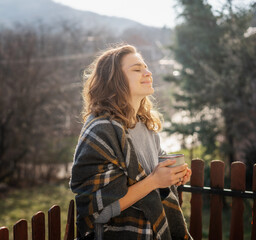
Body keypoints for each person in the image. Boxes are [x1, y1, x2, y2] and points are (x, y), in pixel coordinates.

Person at [70, 44, 192, 240]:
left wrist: (171, 177)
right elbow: (97, 213)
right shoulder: (101, 130)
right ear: (114, 81)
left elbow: (156, 179)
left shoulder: (146, 127)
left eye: (146, 67)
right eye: (137, 69)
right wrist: (155, 181)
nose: (148, 72)